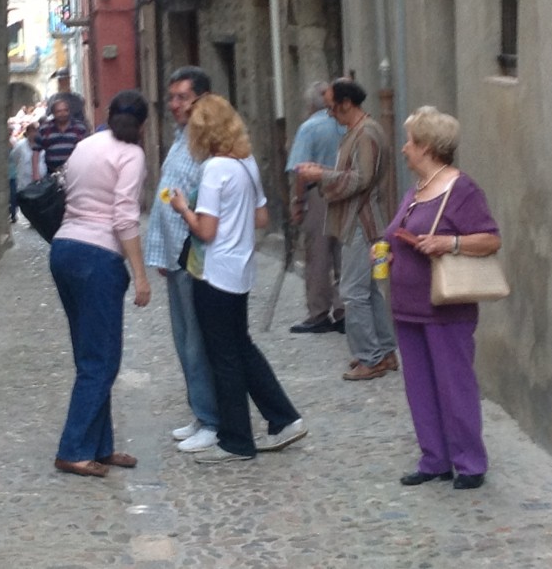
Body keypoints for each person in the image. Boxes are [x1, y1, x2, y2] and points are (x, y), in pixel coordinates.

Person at [169, 94, 306, 463]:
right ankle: (283, 417)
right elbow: (261, 219)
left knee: (223, 356)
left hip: (214, 271)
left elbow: (206, 230)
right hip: (241, 268)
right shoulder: (245, 163)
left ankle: (236, 440)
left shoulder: (215, 169)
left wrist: (184, 209)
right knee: (241, 347)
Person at [385, 106, 500, 491]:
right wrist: (386, 249)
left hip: (445, 307)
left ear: (428, 147)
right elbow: (396, 233)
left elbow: (490, 238)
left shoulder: (461, 189)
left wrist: (449, 242)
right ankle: (434, 458)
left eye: (410, 142)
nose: (405, 149)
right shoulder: (417, 190)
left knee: (454, 385)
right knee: (419, 385)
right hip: (408, 307)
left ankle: (469, 462)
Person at [49, 90, 152, 478]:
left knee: (89, 354)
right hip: (98, 256)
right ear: (143, 124)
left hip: (64, 248)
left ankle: (100, 445)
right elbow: (125, 216)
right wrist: (140, 274)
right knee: (103, 359)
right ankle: (73, 449)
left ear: (108, 114)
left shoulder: (86, 145)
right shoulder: (132, 154)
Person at [295, 78, 397, 381]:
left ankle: (371, 357)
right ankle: (384, 351)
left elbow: (361, 178)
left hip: (362, 220)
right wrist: (325, 173)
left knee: (353, 291)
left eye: (332, 108)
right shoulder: (359, 131)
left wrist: (322, 176)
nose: (330, 114)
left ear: (346, 103)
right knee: (367, 291)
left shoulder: (366, 133)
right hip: (359, 218)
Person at [144, 67, 220, 453]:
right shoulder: (180, 139)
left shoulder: (206, 145)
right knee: (183, 338)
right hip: (175, 258)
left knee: (198, 341)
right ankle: (200, 413)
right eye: (171, 97)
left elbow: (201, 204)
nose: (174, 104)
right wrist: (160, 252)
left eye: (181, 98)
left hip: (196, 257)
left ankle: (212, 420)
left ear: (201, 100)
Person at [285, 81, 346, 334]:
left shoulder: (309, 128)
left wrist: (298, 202)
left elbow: (301, 170)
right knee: (344, 253)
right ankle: (345, 310)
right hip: (346, 191)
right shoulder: (346, 124)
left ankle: (319, 313)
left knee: (318, 256)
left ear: (310, 104)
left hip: (319, 194)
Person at [32, 97, 89, 181]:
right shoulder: (45, 129)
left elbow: (87, 150)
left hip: (76, 174)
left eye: (65, 110)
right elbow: (36, 152)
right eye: (59, 111)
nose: (63, 113)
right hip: (52, 174)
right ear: (53, 113)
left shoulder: (79, 128)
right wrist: (35, 174)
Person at [9, 123, 43, 222]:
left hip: (41, 177)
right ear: (27, 133)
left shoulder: (43, 142)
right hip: (25, 177)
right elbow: (14, 157)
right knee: (28, 199)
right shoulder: (20, 145)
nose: (33, 134)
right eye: (31, 132)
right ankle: (31, 217)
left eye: (35, 131)